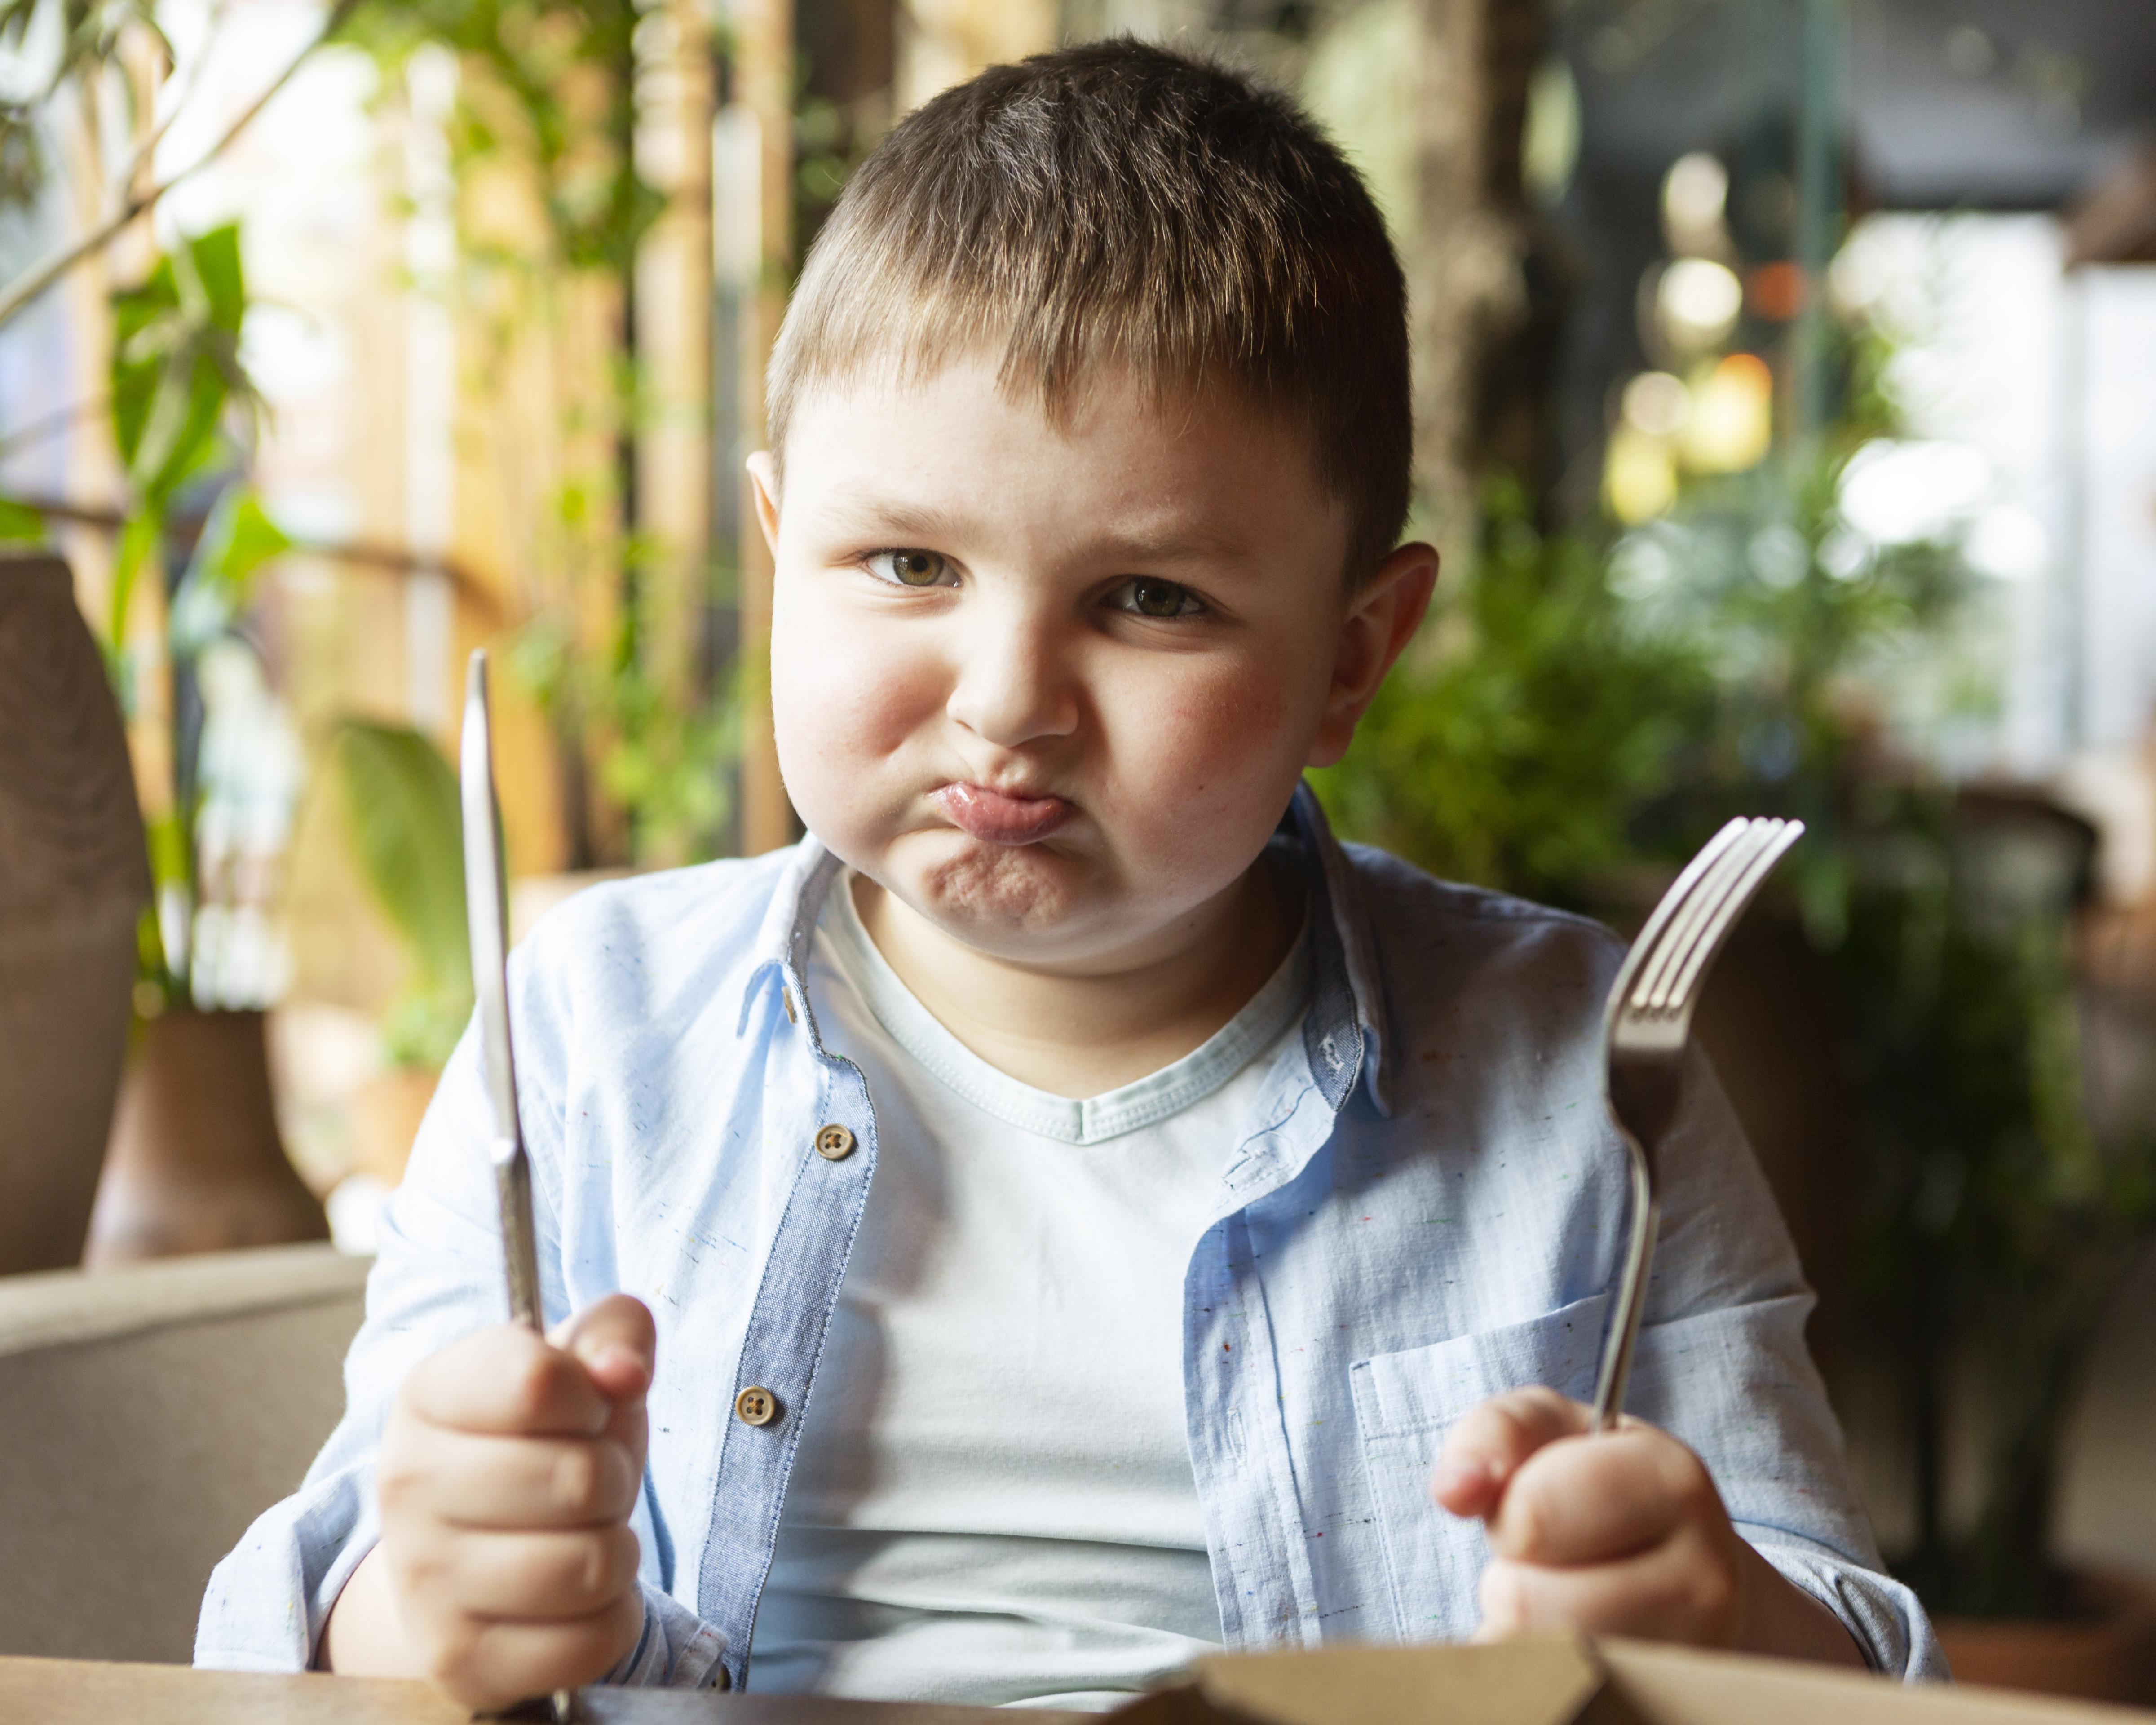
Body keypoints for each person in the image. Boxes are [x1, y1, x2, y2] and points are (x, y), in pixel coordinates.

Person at [197, 40, 1940, 1712]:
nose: (1009, 700)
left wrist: (1706, 1610)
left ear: (1351, 657)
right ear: (781, 548)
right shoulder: (588, 1032)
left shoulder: (1581, 1070)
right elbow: (322, 1614)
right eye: (907, 564)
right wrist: (433, 1599)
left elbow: (1851, 1668)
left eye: (1152, 600)